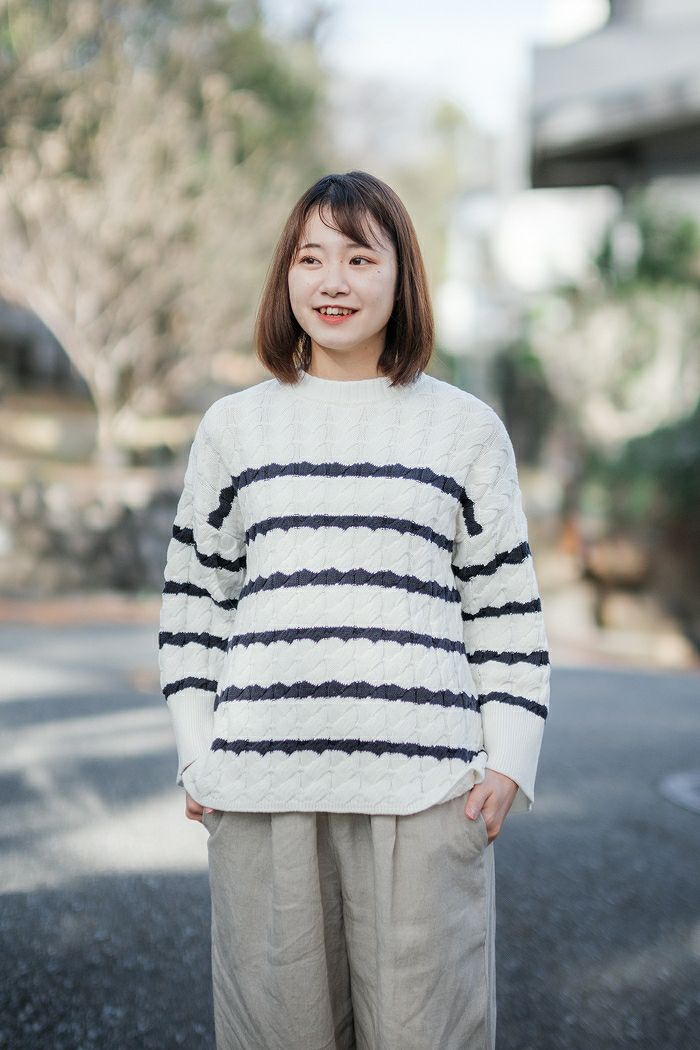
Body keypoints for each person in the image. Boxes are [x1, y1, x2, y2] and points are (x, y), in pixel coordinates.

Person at [158, 170, 550, 1050]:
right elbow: (195, 599)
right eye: (311, 258)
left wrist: (508, 760)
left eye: (360, 258)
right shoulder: (233, 429)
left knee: (427, 1034)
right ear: (285, 277)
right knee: (277, 1033)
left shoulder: (466, 430)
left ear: (401, 275)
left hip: (425, 794)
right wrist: (197, 750)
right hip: (262, 789)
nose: (332, 281)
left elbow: (503, 606)